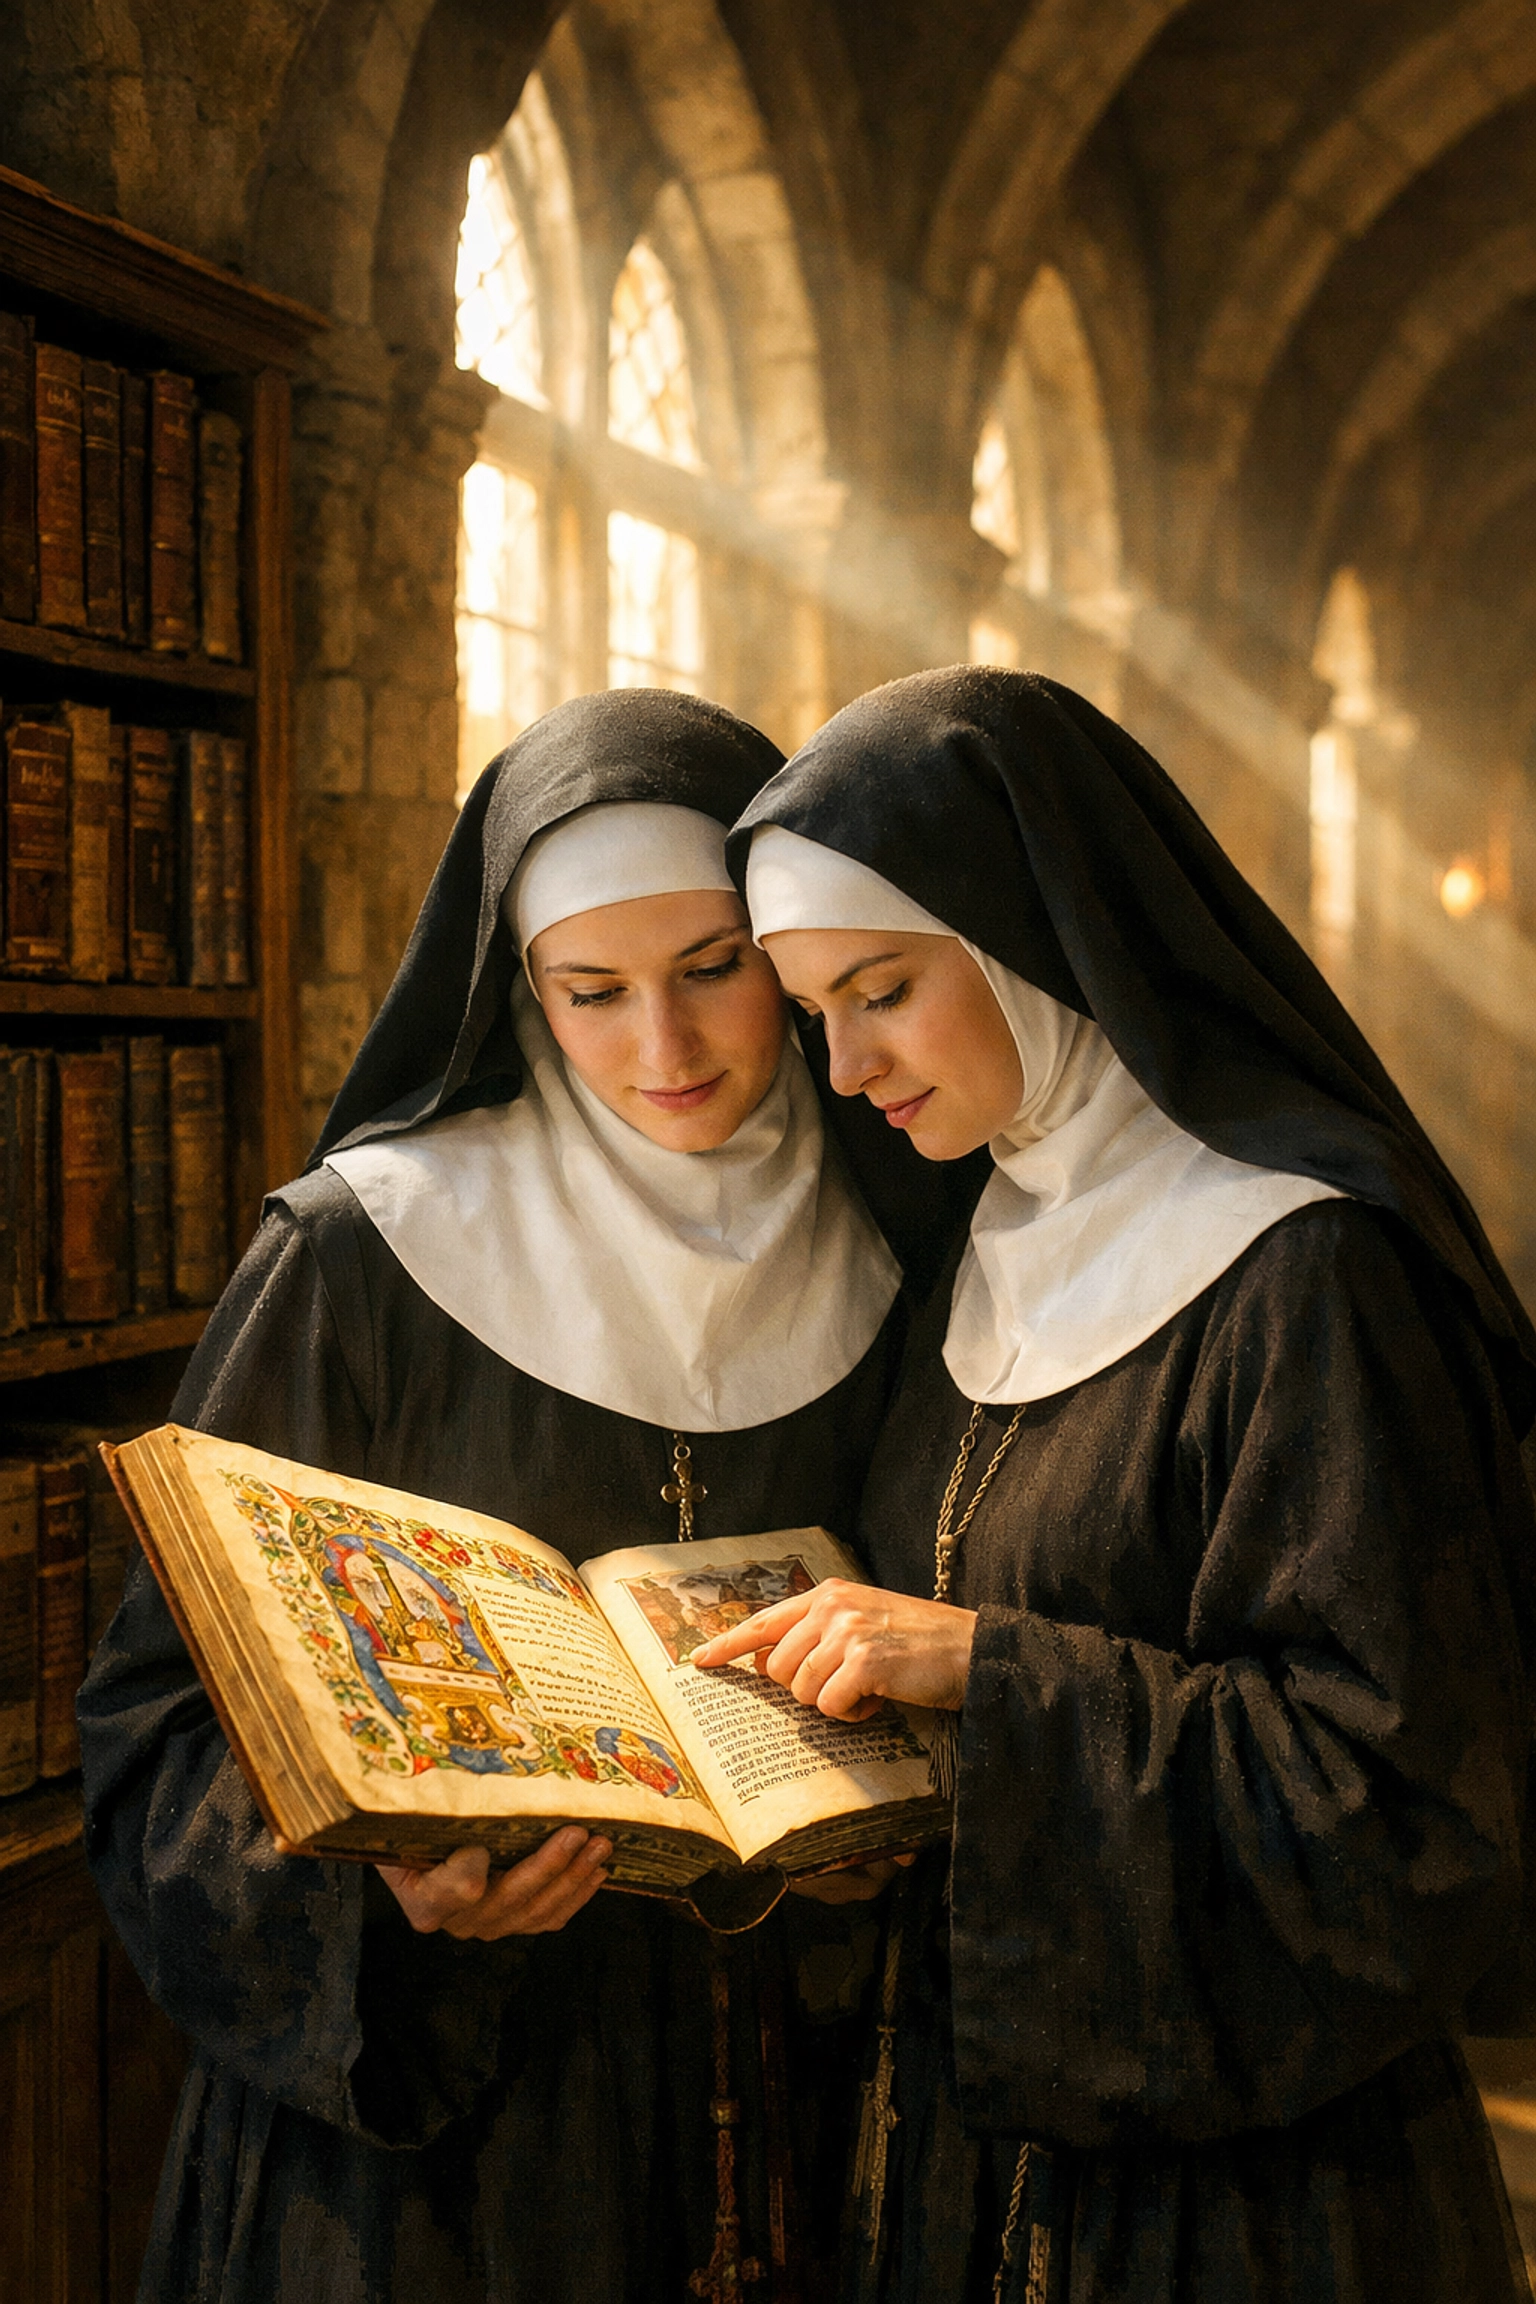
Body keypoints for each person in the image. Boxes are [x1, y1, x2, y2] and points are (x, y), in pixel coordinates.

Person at [695, 665, 1536, 2303]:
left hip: (1258, 2201)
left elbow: (1410, 1805)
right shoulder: (972, 1243)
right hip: (961, 2136)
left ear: (1030, 933)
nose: (850, 1067)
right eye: (816, 1018)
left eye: (883, 991)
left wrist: (979, 1669)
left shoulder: (1302, 1272)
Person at [78, 687, 914, 2304]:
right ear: (517, 991)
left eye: (714, 971)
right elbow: (156, 1717)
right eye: (590, 993)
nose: (659, 1052)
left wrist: (894, 1803)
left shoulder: (907, 1225)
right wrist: (372, 1900)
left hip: (805, 2092)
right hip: (441, 2174)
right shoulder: (364, 1252)